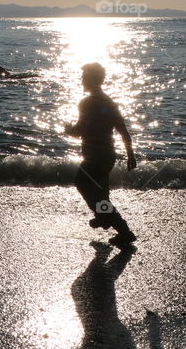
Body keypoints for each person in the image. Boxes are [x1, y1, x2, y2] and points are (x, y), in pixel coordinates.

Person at [64, 62, 138, 249]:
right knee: (101, 193)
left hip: (94, 157)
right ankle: (103, 218)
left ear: (90, 79)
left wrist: (68, 129)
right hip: (108, 156)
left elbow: (80, 130)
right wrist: (130, 155)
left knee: (83, 185)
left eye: (84, 77)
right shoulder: (109, 102)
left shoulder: (86, 103)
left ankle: (122, 230)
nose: (81, 80)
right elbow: (123, 131)